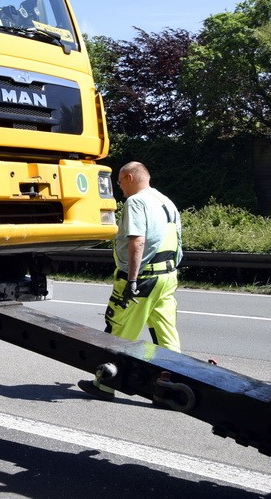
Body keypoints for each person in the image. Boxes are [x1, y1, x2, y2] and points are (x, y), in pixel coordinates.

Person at [78, 161, 182, 400]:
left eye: (119, 181)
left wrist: (132, 280)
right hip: (166, 275)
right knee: (166, 332)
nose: (119, 187)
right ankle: (172, 384)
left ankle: (105, 384)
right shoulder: (165, 200)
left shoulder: (136, 202)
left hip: (143, 278)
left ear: (129, 178)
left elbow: (137, 241)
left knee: (120, 330)